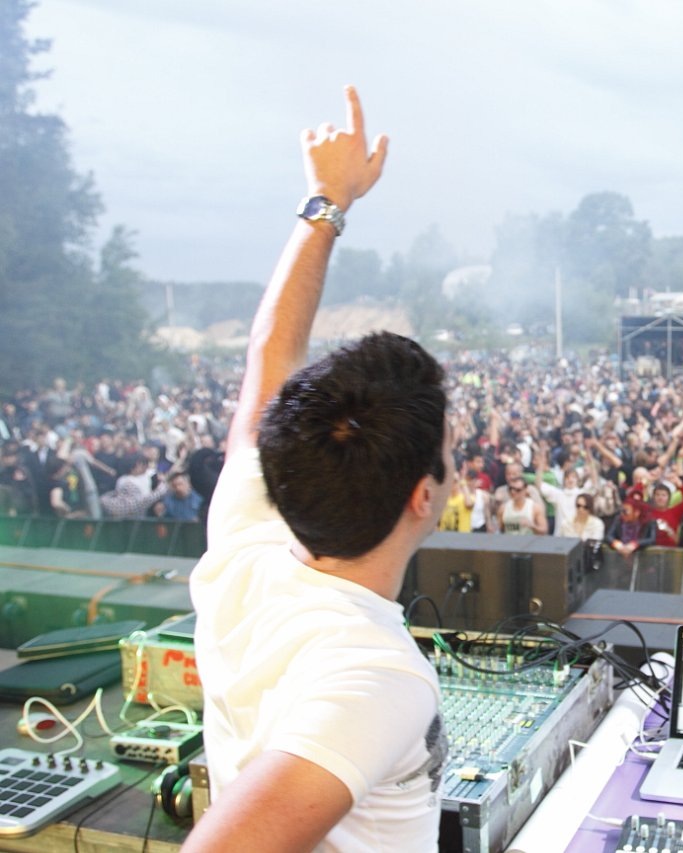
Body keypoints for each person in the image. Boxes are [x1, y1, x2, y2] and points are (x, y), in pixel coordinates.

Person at [187, 88, 450, 851]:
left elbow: (270, 353)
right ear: (422, 494)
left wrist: (327, 203)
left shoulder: (248, 541)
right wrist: (331, 200)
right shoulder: (375, 676)